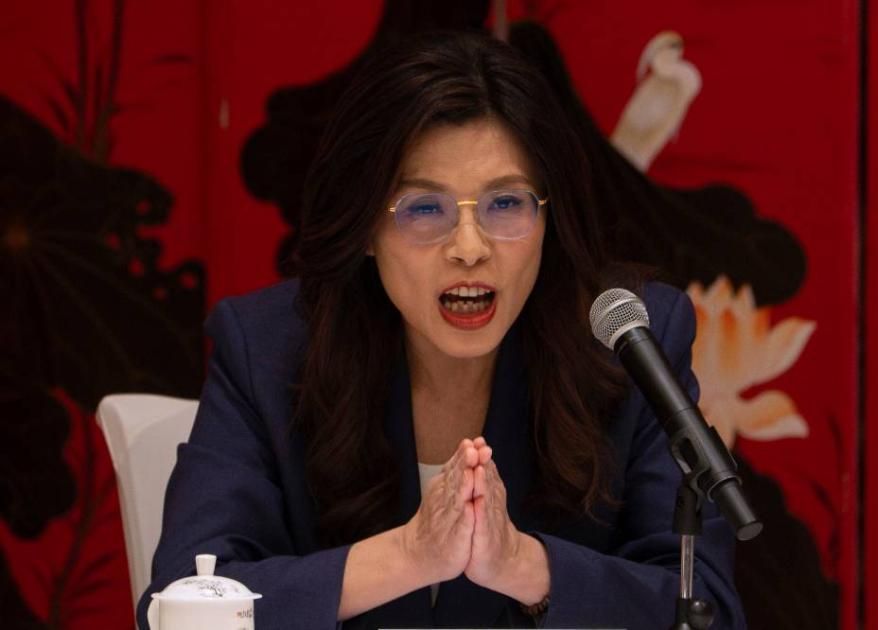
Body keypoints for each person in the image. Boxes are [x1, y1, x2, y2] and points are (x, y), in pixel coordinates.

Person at [138, 31, 746, 629]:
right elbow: (176, 606)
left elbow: (707, 609)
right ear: (365, 229)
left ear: (548, 218)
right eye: (425, 209)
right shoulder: (268, 349)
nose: (469, 248)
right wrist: (410, 556)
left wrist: (522, 564)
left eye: (506, 204)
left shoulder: (626, 343)